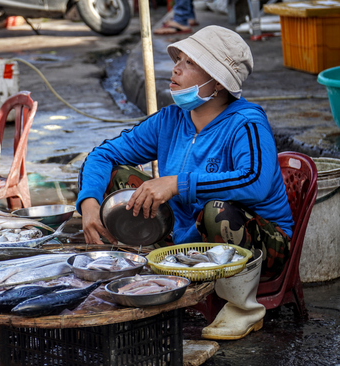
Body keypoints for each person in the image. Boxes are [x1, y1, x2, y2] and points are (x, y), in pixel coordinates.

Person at [76, 26, 294, 340]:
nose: (176, 67)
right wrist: (89, 205)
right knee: (118, 176)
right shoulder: (170, 119)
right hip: (186, 238)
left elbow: (255, 181)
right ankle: (140, 270)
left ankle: (243, 308)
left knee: (217, 210)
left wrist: (178, 183)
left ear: (218, 81)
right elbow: (103, 154)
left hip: (259, 245)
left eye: (190, 62)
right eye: (179, 58)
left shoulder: (247, 122)